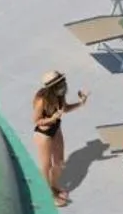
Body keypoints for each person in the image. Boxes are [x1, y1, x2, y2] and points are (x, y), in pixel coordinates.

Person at [32, 70, 87, 206]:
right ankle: (48, 194)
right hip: (43, 134)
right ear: (53, 87)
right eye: (60, 83)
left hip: (56, 130)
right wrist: (51, 119)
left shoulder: (59, 96)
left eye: (63, 82)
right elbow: (36, 120)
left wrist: (80, 103)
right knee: (46, 166)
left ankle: (54, 186)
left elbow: (65, 108)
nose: (64, 85)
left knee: (59, 162)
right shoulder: (41, 100)